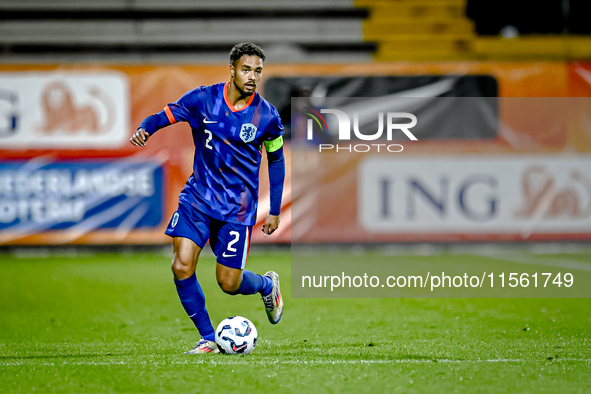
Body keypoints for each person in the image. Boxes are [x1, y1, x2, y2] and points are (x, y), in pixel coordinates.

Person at [130, 43, 285, 354]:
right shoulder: (203, 99)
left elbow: (277, 160)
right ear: (231, 70)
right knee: (181, 265)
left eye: (257, 71)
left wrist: (275, 210)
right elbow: (162, 117)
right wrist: (145, 129)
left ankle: (267, 286)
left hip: (236, 209)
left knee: (228, 283)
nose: (252, 76)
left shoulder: (267, 116)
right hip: (198, 199)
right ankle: (209, 338)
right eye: (246, 69)